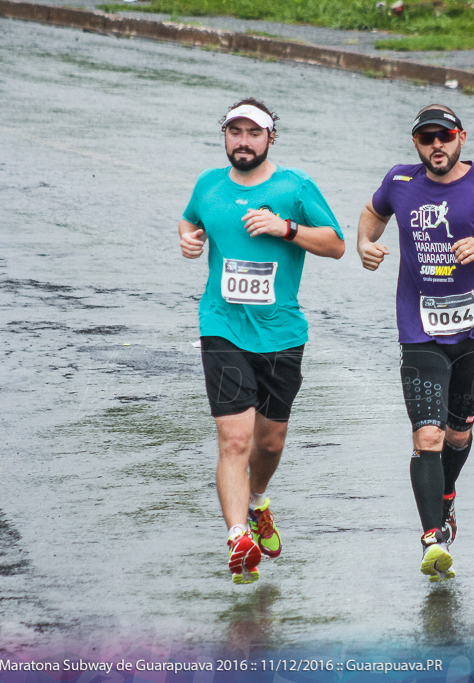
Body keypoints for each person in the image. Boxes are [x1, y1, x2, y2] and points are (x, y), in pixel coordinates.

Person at [357, 104, 474, 581]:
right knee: (429, 436)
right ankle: (431, 540)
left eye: (444, 136)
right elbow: (371, 212)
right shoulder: (400, 183)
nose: (436, 146)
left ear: (461, 137)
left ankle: (446, 497)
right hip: (419, 330)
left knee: (458, 435)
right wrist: (366, 243)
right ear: (416, 144)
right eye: (426, 139)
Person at [179, 98, 345, 584]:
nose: (244, 141)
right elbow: (190, 219)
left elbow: (335, 244)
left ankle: (256, 503)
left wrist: (286, 227)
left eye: (255, 133)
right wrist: (189, 239)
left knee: (269, 444)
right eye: (235, 132)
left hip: (281, 333)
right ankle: (237, 537)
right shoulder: (208, 185)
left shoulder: (294, 187)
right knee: (234, 439)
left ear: (271, 138)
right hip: (221, 326)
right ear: (225, 136)